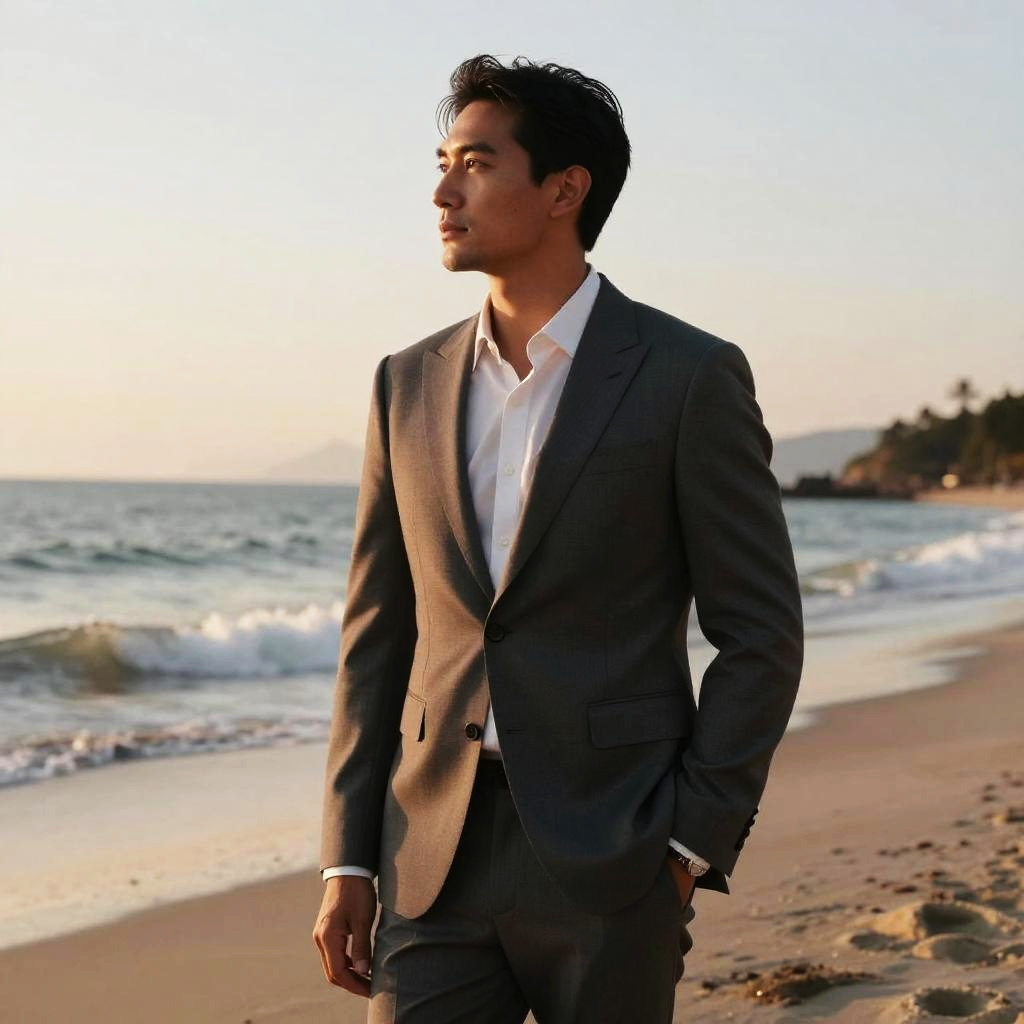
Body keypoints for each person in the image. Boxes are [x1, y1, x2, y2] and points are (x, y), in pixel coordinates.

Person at [312, 54, 804, 1023]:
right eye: (442, 161)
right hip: (431, 855)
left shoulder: (686, 377)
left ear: (563, 191)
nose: (443, 190)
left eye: (477, 163)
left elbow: (760, 634)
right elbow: (376, 637)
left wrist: (684, 849)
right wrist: (347, 854)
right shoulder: (401, 385)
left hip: (613, 854)